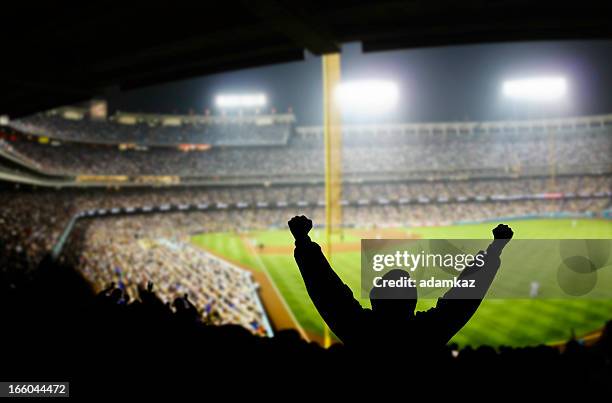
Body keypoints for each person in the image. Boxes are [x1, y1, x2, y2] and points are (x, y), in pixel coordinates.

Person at [288, 215, 513, 357]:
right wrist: (495, 250)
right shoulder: (428, 334)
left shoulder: (360, 332)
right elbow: (464, 296)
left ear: (374, 297)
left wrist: (303, 241)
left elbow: (327, 292)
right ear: (412, 300)